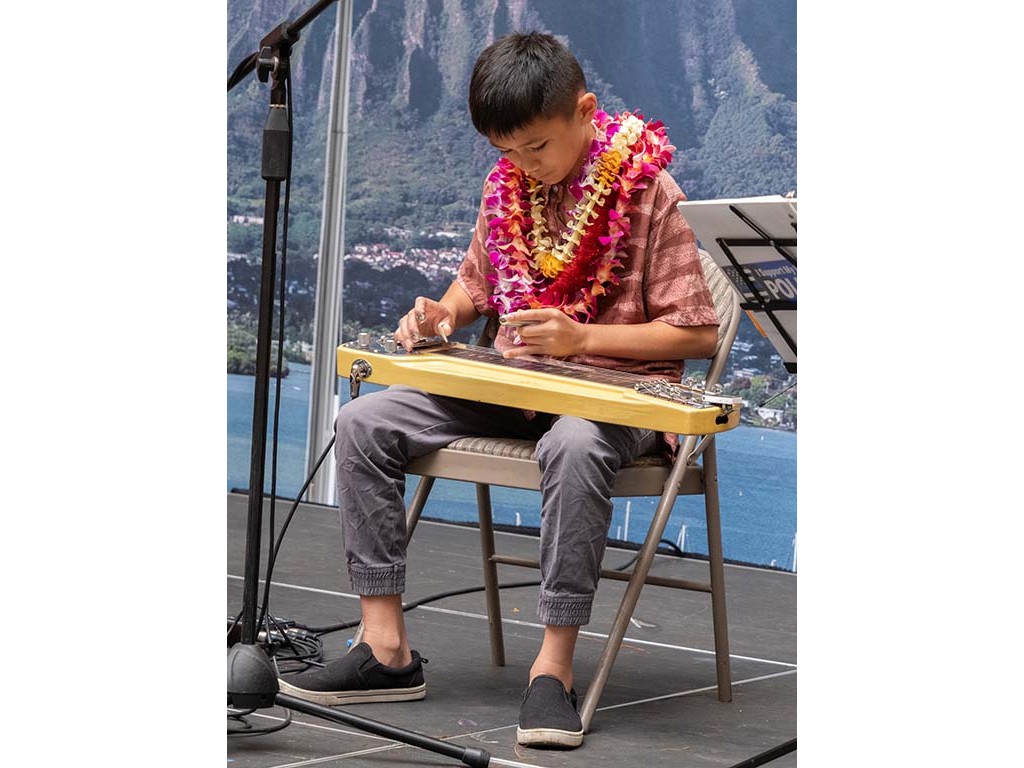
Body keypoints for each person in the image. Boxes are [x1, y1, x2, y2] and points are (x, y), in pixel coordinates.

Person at [278, 31, 719, 749]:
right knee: (362, 422)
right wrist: (441, 315)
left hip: (616, 400)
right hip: (511, 387)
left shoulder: (649, 191)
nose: (524, 164)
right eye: (507, 151)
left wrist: (582, 339)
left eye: (537, 146)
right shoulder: (506, 186)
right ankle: (385, 646)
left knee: (574, 445)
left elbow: (695, 334)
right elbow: (475, 286)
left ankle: (553, 669)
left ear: (586, 111)